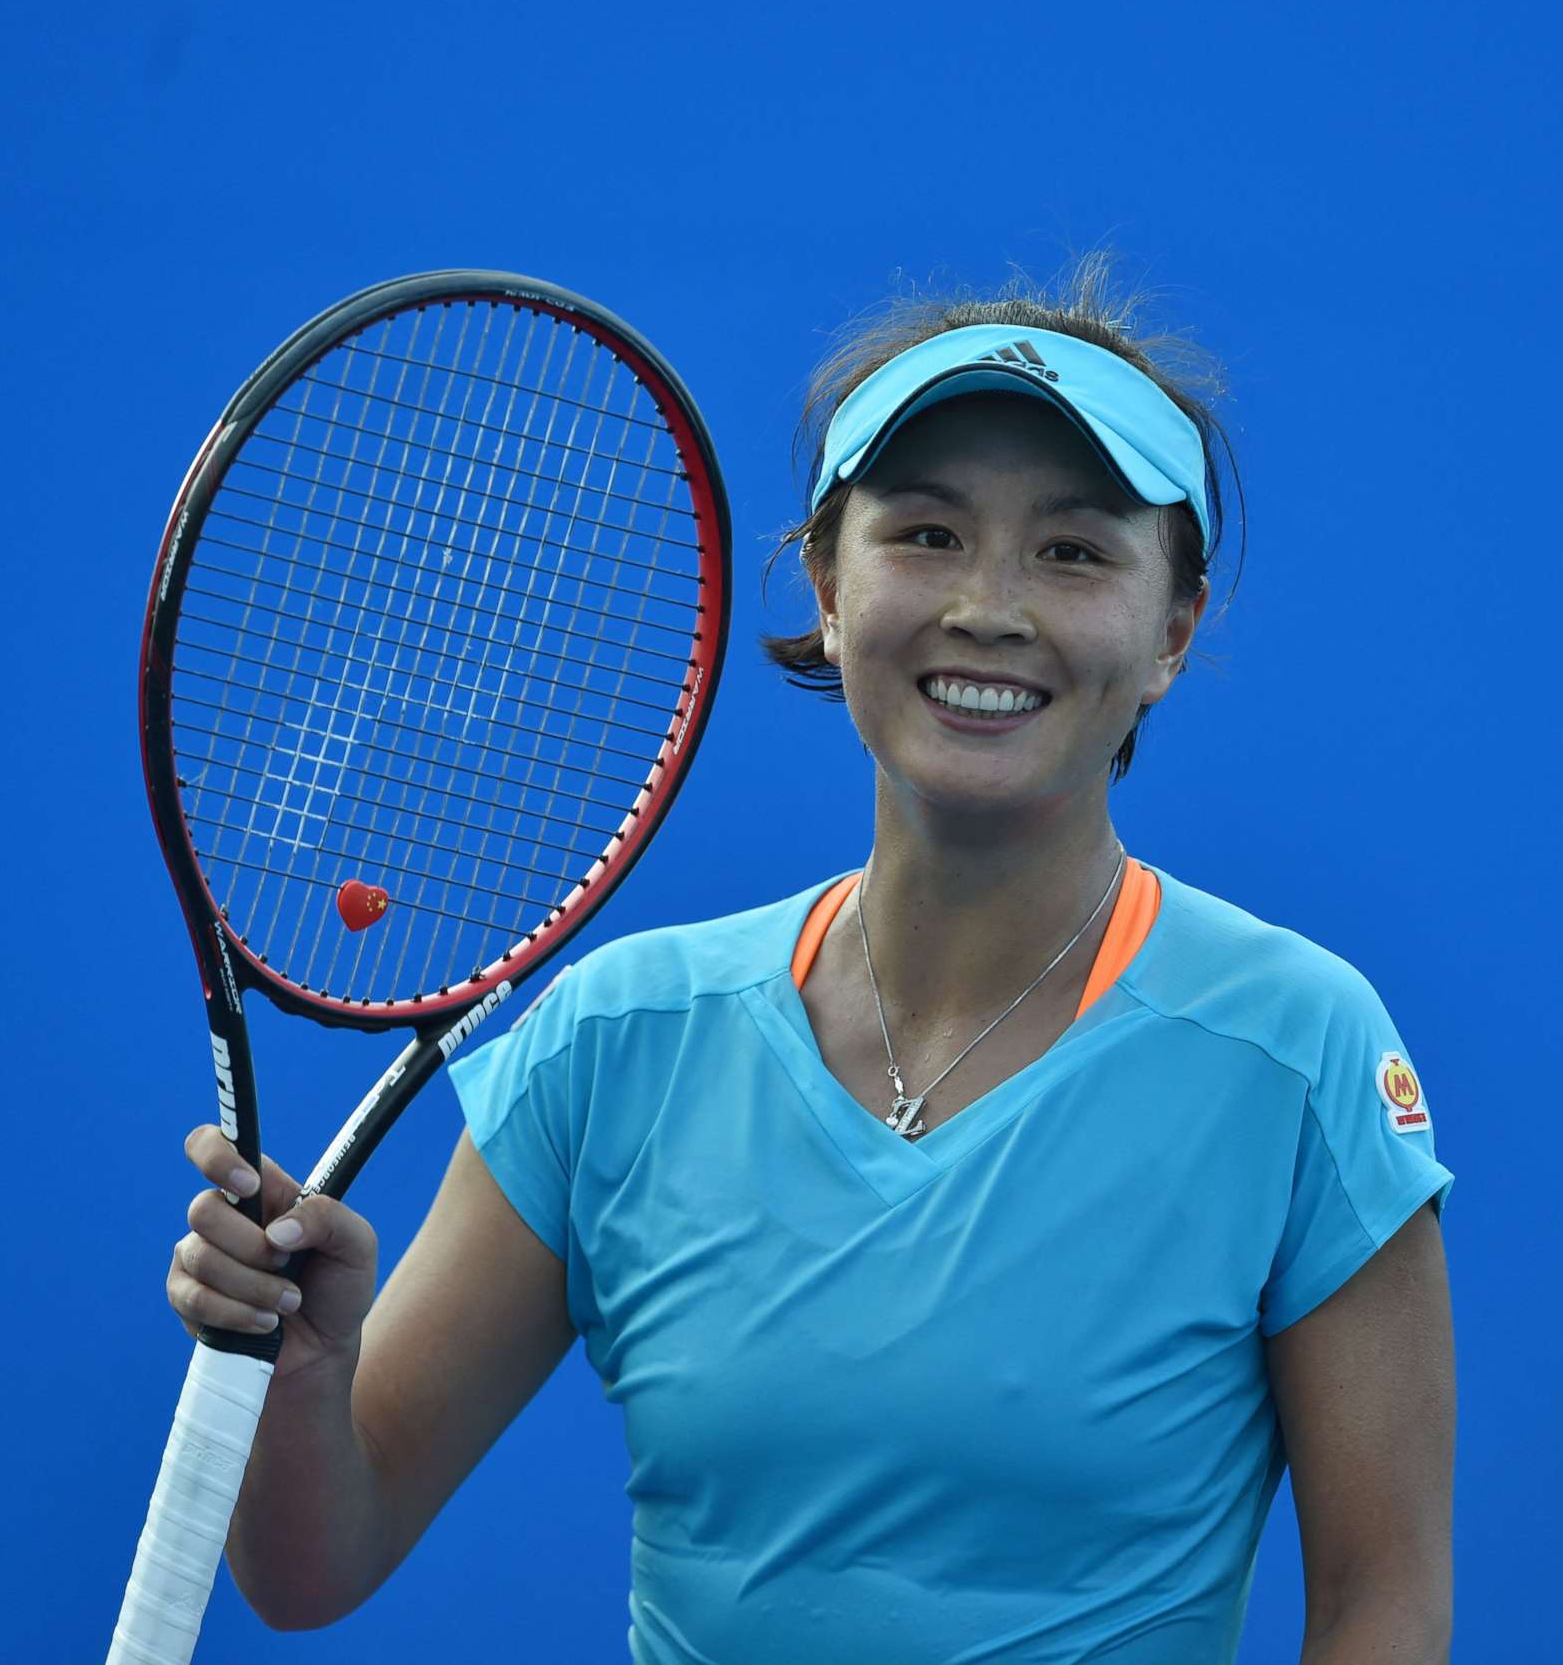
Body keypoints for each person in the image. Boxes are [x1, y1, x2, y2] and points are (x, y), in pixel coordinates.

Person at [165, 257, 1458, 1662]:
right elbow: (312, 1564)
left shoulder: (1299, 1050)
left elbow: (1385, 1604)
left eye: (1074, 550)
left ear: (1173, 630)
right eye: (927, 535)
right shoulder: (617, 1040)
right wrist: (298, 1375)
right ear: (828, 587)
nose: (991, 606)